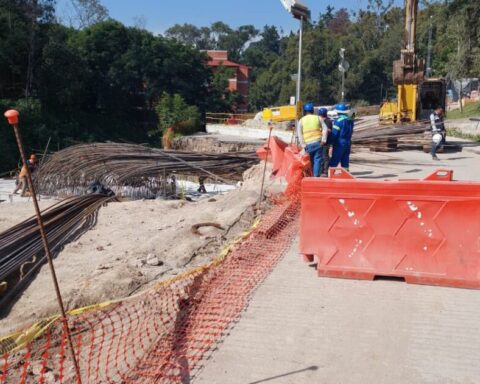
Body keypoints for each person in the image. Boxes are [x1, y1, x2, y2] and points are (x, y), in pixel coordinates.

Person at [297, 103, 326, 177]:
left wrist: (303, 145)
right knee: (317, 160)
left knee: (308, 161)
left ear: (305, 111)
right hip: (318, 143)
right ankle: (315, 177)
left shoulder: (301, 120)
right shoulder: (318, 118)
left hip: (307, 145)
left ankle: (309, 177)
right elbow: (325, 128)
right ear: (312, 110)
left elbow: (299, 134)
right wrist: (323, 140)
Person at [329, 103, 354, 171]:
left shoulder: (338, 121)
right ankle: (346, 176)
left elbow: (335, 133)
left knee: (334, 160)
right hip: (348, 142)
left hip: (340, 143)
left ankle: (330, 175)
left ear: (338, 112)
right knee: (345, 160)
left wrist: (329, 142)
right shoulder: (350, 120)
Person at [318, 108, 333, 177]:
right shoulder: (319, 121)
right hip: (320, 141)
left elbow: (329, 130)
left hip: (326, 142)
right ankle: (321, 170)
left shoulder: (328, 121)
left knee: (325, 157)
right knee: (320, 157)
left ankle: (325, 171)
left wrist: (323, 130)